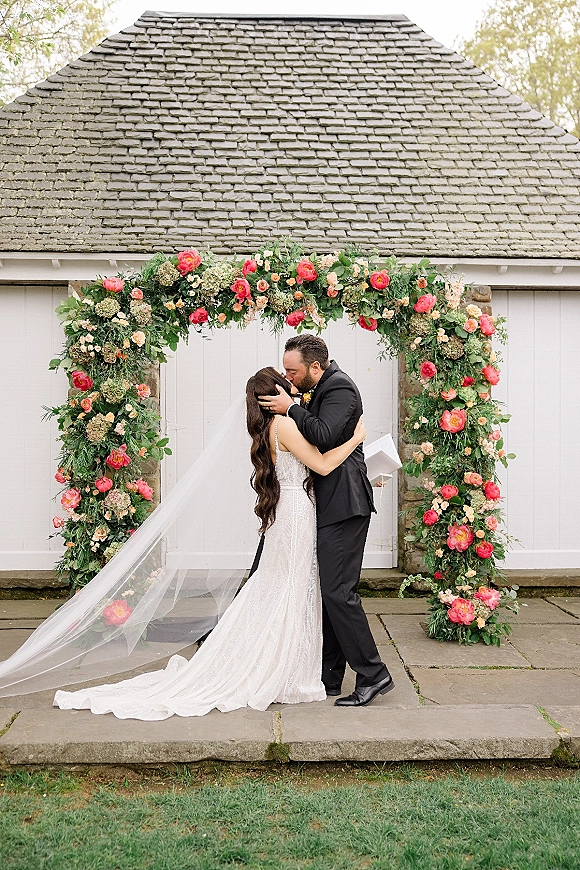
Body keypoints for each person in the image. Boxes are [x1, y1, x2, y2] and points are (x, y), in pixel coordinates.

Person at [52, 368, 368, 720]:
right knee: (292, 587)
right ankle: (283, 669)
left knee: (285, 587)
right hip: (296, 515)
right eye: (284, 380)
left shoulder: (268, 428)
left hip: (290, 512)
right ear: (273, 394)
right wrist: (356, 440)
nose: (291, 385)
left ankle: (291, 664)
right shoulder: (286, 425)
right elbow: (323, 465)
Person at [259, 335, 394, 708]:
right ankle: (329, 677)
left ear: (315, 367)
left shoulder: (340, 387)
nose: (287, 375)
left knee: (338, 591)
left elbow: (321, 435)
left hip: (345, 505)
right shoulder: (318, 387)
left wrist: (290, 408)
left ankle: (373, 673)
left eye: (292, 370)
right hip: (327, 503)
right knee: (329, 592)